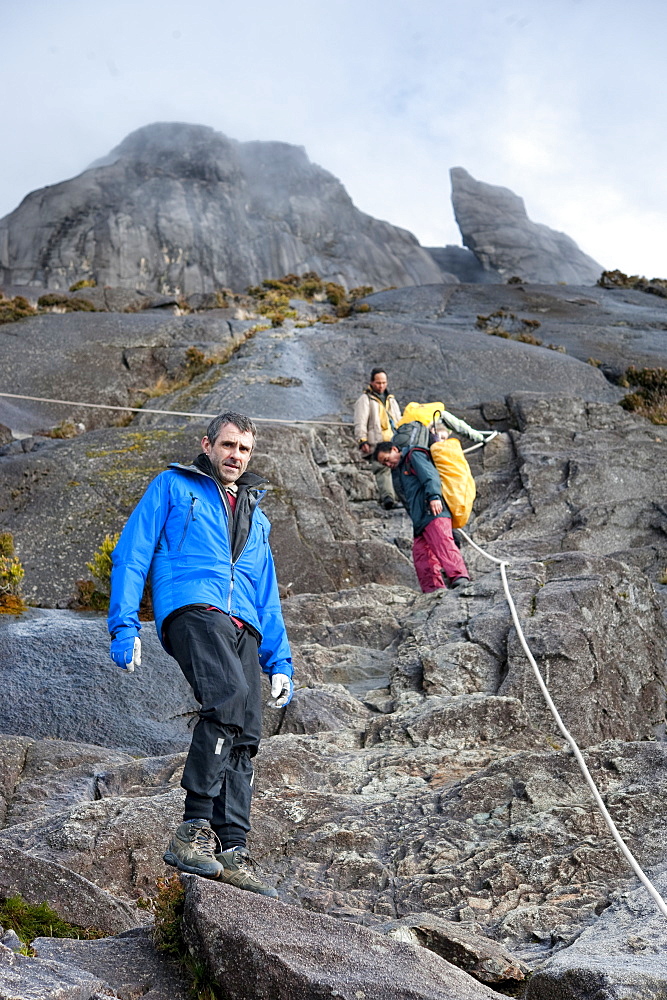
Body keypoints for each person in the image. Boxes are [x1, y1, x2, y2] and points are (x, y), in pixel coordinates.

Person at [107, 411, 293, 897]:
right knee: (227, 700)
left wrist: (280, 661)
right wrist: (124, 625)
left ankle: (232, 849)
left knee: (247, 729)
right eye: (228, 446)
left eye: (245, 450)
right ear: (207, 444)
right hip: (193, 605)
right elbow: (133, 550)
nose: (236, 457)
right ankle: (191, 831)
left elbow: (267, 590)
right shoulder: (173, 486)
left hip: (245, 623)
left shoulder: (257, 513)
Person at [374, 439, 470, 592]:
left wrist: (434, 497)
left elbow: (429, 475)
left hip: (433, 509)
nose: (387, 464)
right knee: (421, 555)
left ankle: (459, 577)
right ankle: (432, 589)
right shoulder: (398, 470)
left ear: (394, 449)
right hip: (419, 518)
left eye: (387, 459)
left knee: (443, 542)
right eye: (383, 464)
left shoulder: (414, 456)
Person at [353, 368, 402, 509]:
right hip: (376, 441)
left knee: (397, 468)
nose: (381, 386)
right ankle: (388, 498)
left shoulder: (391, 400)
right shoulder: (365, 400)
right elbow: (360, 421)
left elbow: (398, 419)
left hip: (393, 440)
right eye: (378, 383)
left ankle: (398, 496)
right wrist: (362, 440)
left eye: (384, 383)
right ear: (371, 382)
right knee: (382, 468)